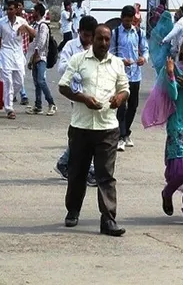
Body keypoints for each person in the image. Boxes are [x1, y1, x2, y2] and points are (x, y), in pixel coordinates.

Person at [58, 24, 130, 237]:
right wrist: (83, 99)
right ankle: (73, 210)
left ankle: (108, 219)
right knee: (77, 172)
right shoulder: (78, 60)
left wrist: (119, 98)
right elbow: (63, 86)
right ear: (93, 39)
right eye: (100, 39)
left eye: (107, 40)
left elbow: (124, 89)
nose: (104, 43)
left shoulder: (117, 63)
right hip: (81, 127)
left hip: (107, 128)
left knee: (105, 175)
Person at [142, 35, 183, 227]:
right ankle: (167, 192)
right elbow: (172, 95)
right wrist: (171, 75)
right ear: (182, 49)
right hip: (177, 122)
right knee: (178, 171)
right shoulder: (171, 68)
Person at [55, 15, 98, 187]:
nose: (88, 39)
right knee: (86, 132)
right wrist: (77, 69)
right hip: (77, 95)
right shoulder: (71, 47)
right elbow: (61, 68)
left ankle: (65, 162)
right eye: (85, 35)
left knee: (87, 132)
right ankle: (88, 169)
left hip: (95, 94)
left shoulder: (97, 46)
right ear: (79, 31)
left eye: (91, 36)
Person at [110, 5, 149, 152]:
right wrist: (121, 60)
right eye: (125, 21)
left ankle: (126, 132)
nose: (128, 23)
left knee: (133, 106)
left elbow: (145, 50)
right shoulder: (116, 33)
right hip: (121, 75)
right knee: (121, 106)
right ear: (122, 19)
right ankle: (121, 136)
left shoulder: (139, 33)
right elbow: (111, 53)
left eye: (130, 21)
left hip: (135, 75)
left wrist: (143, 59)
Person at [0, 0, 28, 119]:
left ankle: (7, 98)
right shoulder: (1, 22)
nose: (9, 11)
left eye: (11, 9)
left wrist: (26, 28)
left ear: (16, 10)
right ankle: (9, 109)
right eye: (7, 9)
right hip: (5, 54)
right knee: (8, 82)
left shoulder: (22, 21)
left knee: (19, 81)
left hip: (18, 55)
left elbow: (34, 34)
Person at [23, 3, 57, 116]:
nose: (32, 13)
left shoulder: (43, 26)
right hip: (34, 57)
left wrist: (35, 55)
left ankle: (51, 103)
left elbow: (41, 42)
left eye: (34, 11)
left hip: (40, 57)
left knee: (41, 80)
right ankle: (38, 105)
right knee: (37, 82)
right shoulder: (36, 25)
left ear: (38, 12)